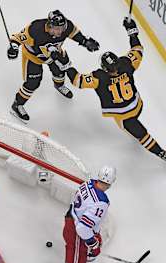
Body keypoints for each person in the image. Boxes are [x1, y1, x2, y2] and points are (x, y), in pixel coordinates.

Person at [52, 17, 166, 161]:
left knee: (143, 136)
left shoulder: (99, 78)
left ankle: (162, 153)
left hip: (124, 117)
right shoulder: (126, 64)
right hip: (138, 105)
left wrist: (64, 63)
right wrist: (131, 30)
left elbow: (77, 81)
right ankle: (161, 152)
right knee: (141, 132)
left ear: (104, 68)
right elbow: (137, 49)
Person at [44, 166, 116, 263]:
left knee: (97, 245)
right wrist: (91, 241)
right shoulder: (101, 202)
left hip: (73, 220)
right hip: (77, 233)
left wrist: (94, 241)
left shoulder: (89, 182)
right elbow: (82, 229)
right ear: (110, 183)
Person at [7, 9, 100, 123]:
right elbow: (16, 38)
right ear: (49, 26)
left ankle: (58, 85)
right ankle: (17, 105)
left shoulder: (67, 27)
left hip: (55, 54)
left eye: (62, 28)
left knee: (60, 72)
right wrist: (13, 48)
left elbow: (75, 34)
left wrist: (85, 42)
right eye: (57, 29)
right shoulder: (35, 29)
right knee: (32, 83)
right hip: (34, 58)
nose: (60, 32)